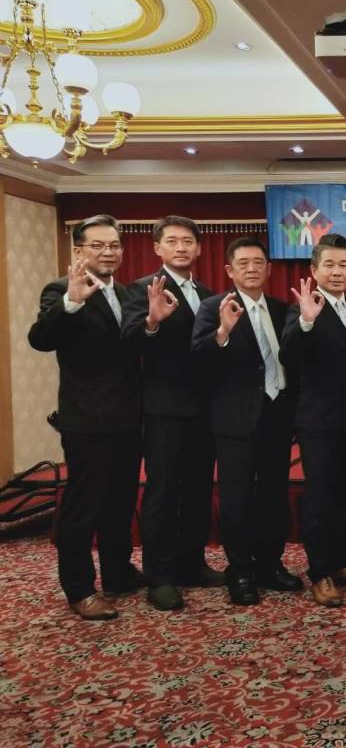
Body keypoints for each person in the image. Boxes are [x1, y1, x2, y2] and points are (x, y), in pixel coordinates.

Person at [28, 214, 143, 620]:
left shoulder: (126, 294)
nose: (108, 252)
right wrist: (71, 303)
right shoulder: (61, 290)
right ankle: (79, 588)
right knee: (83, 507)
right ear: (79, 250)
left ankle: (117, 572)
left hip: (128, 418)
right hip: (87, 420)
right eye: (98, 245)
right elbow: (40, 339)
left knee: (120, 502)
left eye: (114, 245)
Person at [191, 237, 302, 605]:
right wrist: (222, 332)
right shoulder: (213, 307)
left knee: (273, 495)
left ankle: (270, 564)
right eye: (243, 263)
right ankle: (240, 571)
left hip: (277, 416)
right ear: (229, 270)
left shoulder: (282, 308)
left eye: (258, 262)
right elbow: (199, 359)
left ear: (269, 269)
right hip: (235, 421)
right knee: (236, 498)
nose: (252, 269)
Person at [122, 215, 223, 612]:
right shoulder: (141, 289)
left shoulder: (209, 294)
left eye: (188, 241)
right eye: (173, 241)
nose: (181, 247)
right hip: (164, 409)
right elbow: (129, 342)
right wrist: (151, 321)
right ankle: (160, 576)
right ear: (157, 248)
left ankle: (191, 563)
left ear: (199, 248)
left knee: (198, 489)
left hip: (204, 409)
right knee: (162, 492)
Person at [280, 233, 346, 608]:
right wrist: (306, 321)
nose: (337, 272)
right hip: (318, 422)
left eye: (343, 265)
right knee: (320, 498)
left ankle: (340, 563)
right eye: (329, 265)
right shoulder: (302, 309)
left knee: (345, 495)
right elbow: (289, 355)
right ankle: (320, 572)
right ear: (314, 269)